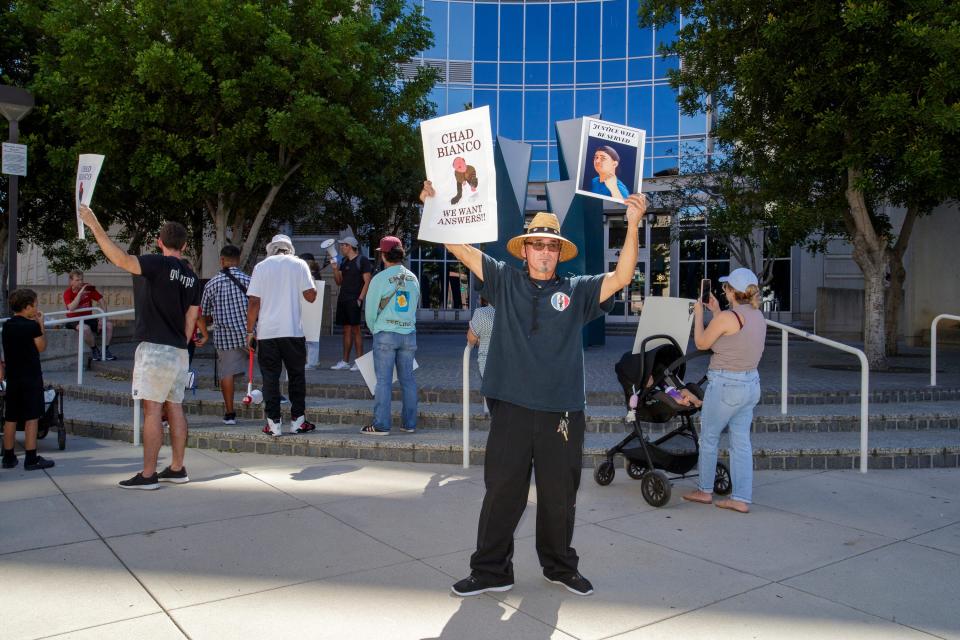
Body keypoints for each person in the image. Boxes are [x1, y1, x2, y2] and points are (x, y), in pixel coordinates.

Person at [421, 180, 647, 598]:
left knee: (560, 496)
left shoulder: (577, 290)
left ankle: (559, 566)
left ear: (559, 253)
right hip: (511, 407)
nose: (543, 252)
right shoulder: (504, 280)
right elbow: (462, 249)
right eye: (536, 244)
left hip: (562, 411)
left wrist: (632, 225)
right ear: (524, 250)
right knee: (501, 493)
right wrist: (436, 207)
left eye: (550, 246)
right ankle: (491, 571)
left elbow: (622, 276)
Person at [79, 205, 201, 490]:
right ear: (184, 245)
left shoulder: (157, 264)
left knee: (151, 411)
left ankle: (148, 474)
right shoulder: (192, 277)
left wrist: (94, 224)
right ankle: (177, 468)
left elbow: (121, 259)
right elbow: (191, 318)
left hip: (155, 348)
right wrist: (180, 344)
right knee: (176, 408)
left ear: (159, 242)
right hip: (178, 350)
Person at [682, 267, 766, 514]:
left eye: (726, 287)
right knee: (741, 442)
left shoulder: (728, 318)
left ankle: (704, 490)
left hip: (726, 386)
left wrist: (699, 314)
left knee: (709, 438)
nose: (723, 290)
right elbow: (732, 339)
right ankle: (740, 498)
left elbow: (702, 342)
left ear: (732, 292)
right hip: (750, 385)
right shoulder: (756, 316)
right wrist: (716, 311)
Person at [246, 234, 317, 437]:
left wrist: (250, 331)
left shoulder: (261, 267)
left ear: (271, 248)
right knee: (297, 377)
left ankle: (274, 424)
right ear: (289, 249)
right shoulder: (299, 264)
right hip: (293, 331)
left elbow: (253, 303)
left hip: (267, 333)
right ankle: (298, 421)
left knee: (270, 378)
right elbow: (311, 296)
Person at [360, 236, 420, 435]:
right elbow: (414, 308)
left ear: (384, 255)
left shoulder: (380, 278)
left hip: (385, 333)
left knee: (383, 381)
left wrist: (374, 328)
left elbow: (370, 310)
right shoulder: (413, 277)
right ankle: (409, 424)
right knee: (408, 380)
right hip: (408, 334)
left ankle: (381, 425)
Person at [1, 288, 54, 471]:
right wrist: (41, 325)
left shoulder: (7, 326)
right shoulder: (31, 326)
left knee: (11, 417)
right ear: (27, 306)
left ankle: (8, 457)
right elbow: (41, 346)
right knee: (32, 417)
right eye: (35, 305)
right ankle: (31, 458)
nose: (36, 308)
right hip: (30, 376)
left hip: (13, 377)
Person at [198, 245, 251, 425]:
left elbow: (203, 313)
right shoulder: (248, 280)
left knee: (227, 374)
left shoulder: (212, 284)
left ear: (221, 260)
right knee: (266, 366)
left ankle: (230, 413)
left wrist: (204, 331)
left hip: (224, 336)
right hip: (249, 333)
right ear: (238, 259)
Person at [330, 236, 372, 371]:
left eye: (343, 245)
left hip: (354, 300)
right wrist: (335, 269)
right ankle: (345, 361)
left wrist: (360, 299)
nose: (341, 248)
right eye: (341, 245)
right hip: (343, 299)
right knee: (346, 330)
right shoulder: (343, 261)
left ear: (350, 246)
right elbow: (338, 282)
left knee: (356, 330)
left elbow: (367, 281)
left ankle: (360, 363)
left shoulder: (362, 260)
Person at [63, 269, 116, 361]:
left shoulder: (88, 289)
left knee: (108, 325)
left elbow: (102, 301)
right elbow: (71, 307)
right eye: (77, 280)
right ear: (71, 282)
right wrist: (80, 294)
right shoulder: (68, 293)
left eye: (81, 280)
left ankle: (105, 350)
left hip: (88, 318)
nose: (80, 282)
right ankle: (94, 350)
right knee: (85, 328)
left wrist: (103, 318)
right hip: (73, 320)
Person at [299, 252, 322, 369]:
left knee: (311, 337)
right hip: (309, 309)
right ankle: (311, 360)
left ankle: (312, 362)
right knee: (309, 337)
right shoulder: (314, 274)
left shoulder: (313, 276)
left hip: (311, 309)